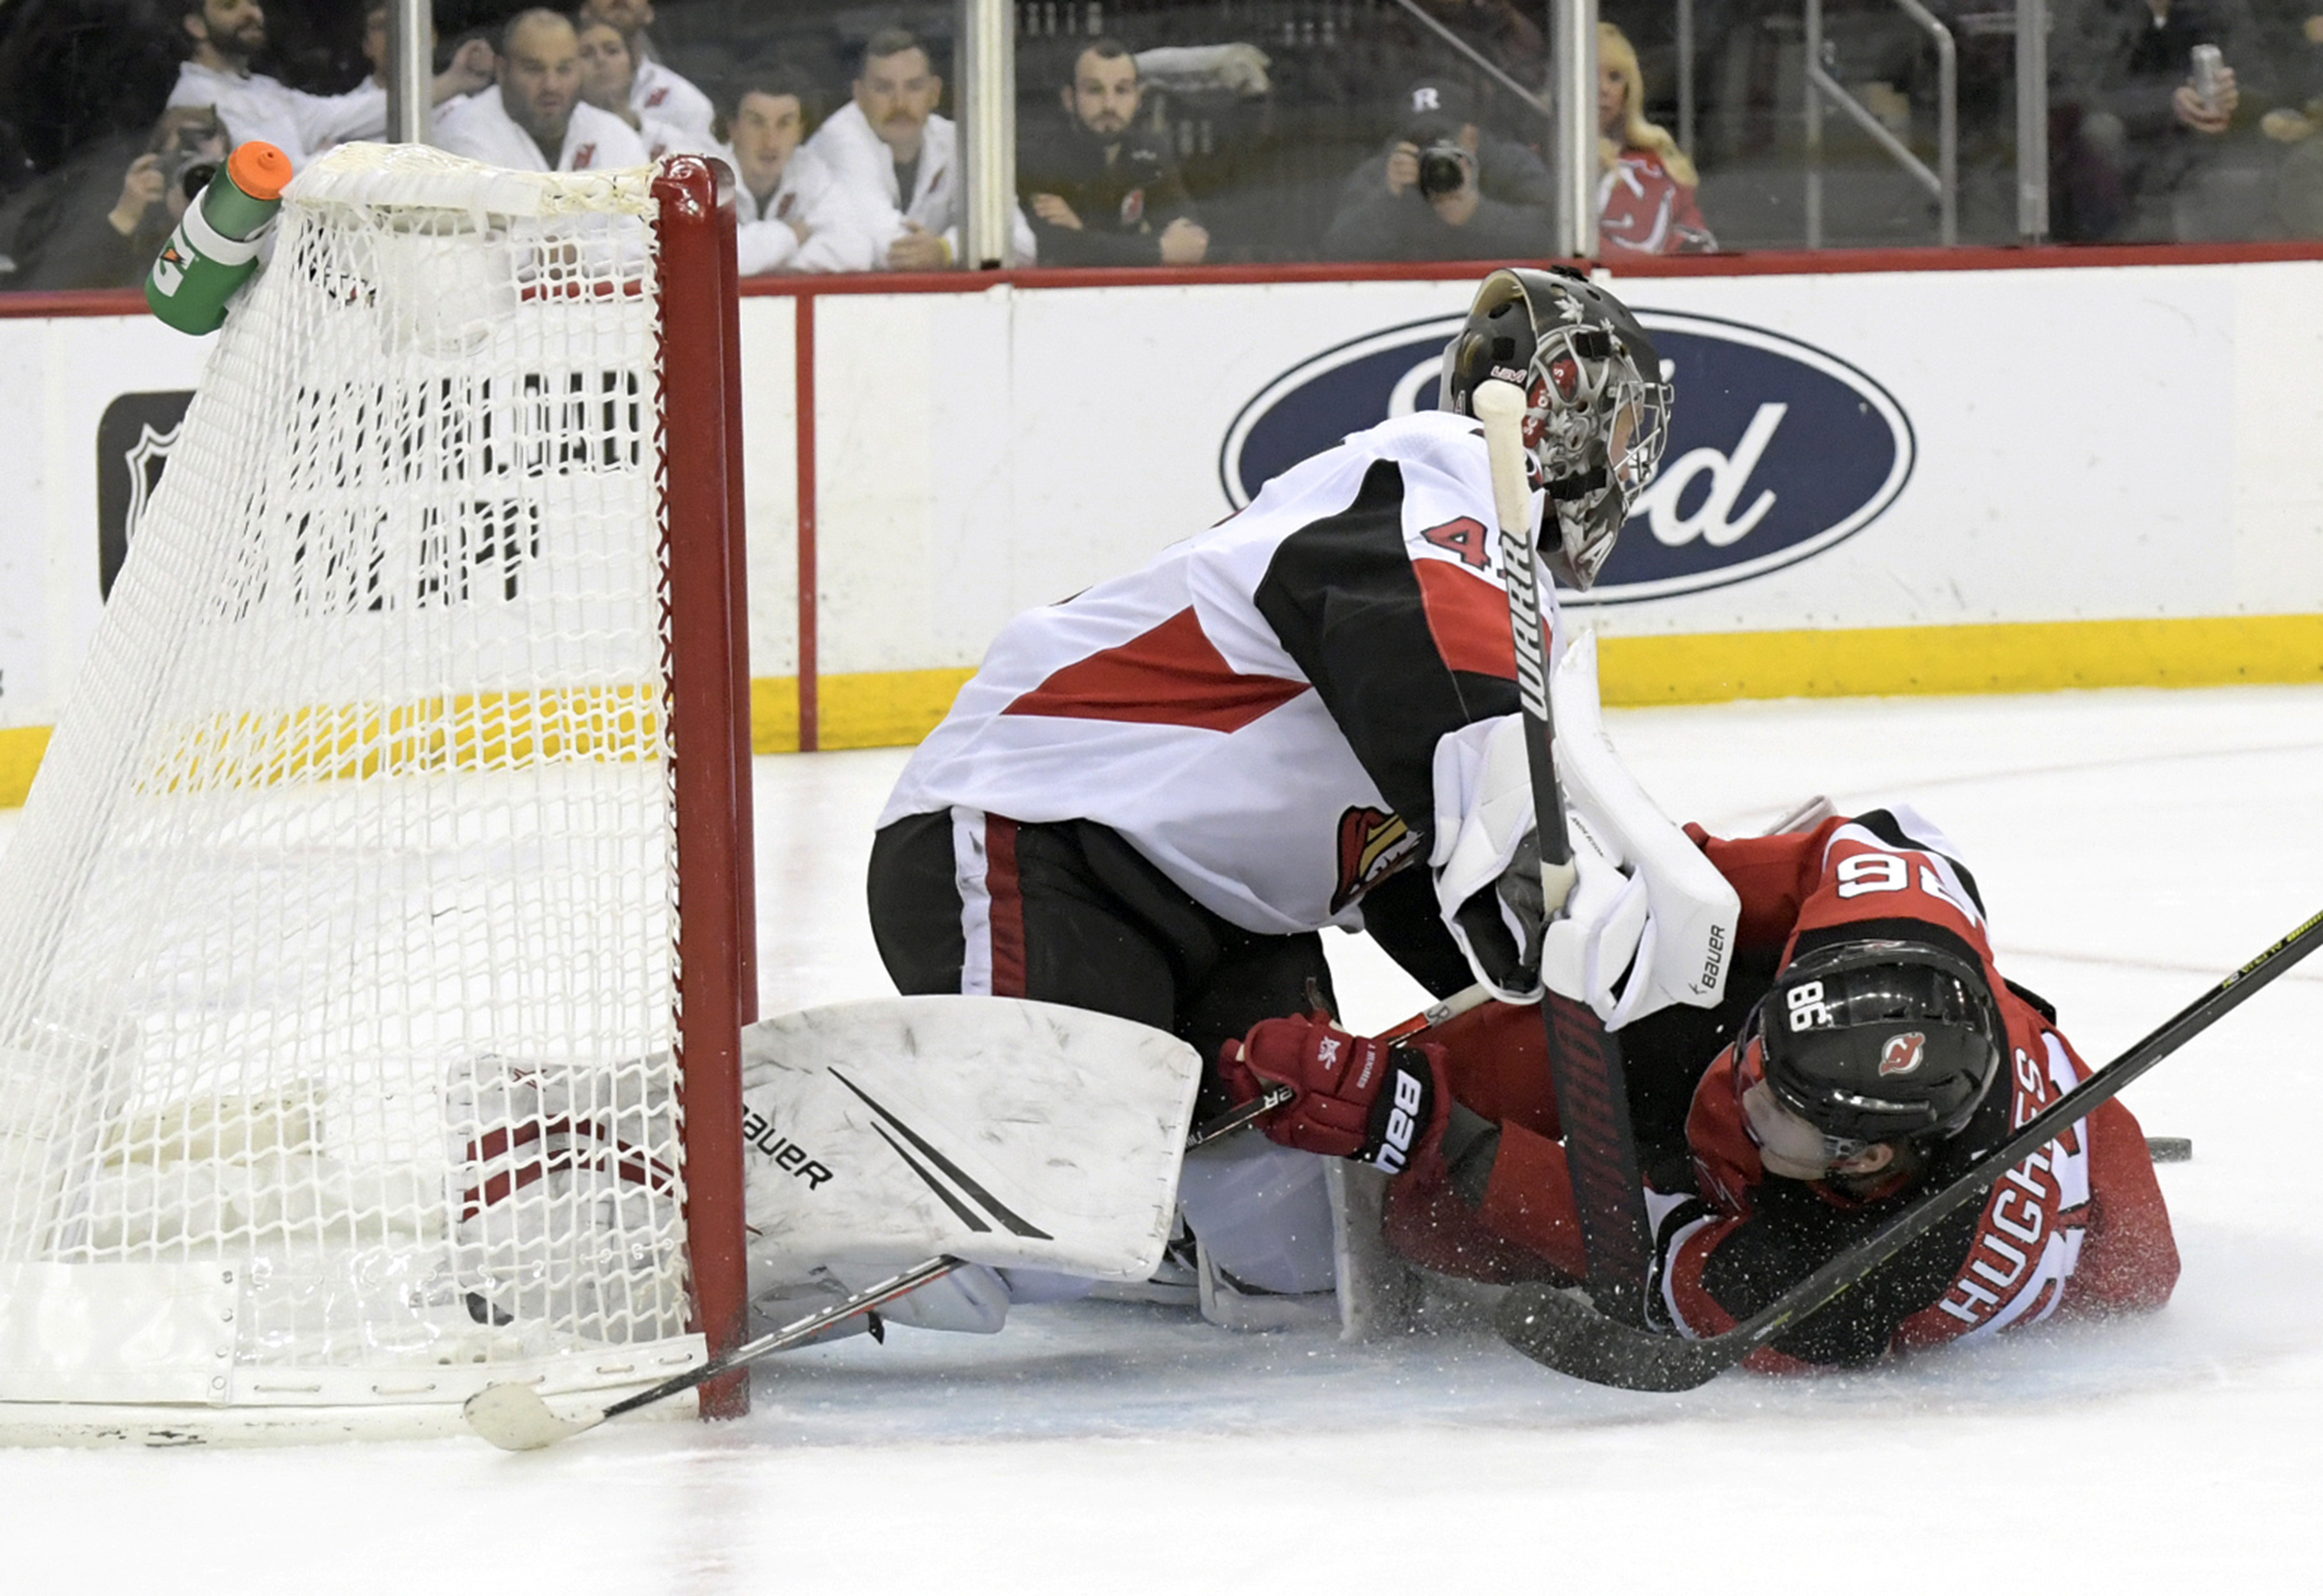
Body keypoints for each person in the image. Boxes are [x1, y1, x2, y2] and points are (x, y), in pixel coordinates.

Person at [864, 268, 1683, 1318]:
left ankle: (1159, 1226)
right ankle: (762, 1190)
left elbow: (1427, 882)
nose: (1627, 467)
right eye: (1619, 433)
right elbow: (1437, 694)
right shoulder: (1427, 482)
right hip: (1034, 839)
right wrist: (1539, 878)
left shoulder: (1501, 590)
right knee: (1037, 1203)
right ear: (1564, 408)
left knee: (1298, 1258)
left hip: (1225, 923)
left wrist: (1599, 1027)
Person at [1225, 794, 2181, 1371]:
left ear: (1868, 1158)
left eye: (1780, 1106)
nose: (1747, 1088)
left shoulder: (1829, 1287)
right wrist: (1654, 897)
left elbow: (1631, 1250)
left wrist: (1427, 1126)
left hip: (1761, 1225)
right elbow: (1867, 846)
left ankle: (1244, 1223)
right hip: (1837, 1147)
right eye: (1767, 1054)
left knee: (1424, 1217)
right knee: (1595, 991)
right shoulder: (1896, 935)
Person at [803, 26, 1035, 270]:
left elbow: (1022, 244)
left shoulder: (957, 142)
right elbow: (891, 248)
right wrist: (961, 246)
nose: (900, 103)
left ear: (935, 93)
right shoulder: (839, 140)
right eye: (884, 88)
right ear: (859, 95)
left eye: (914, 87)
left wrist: (947, 250)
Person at [167, 0, 492, 170]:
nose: (251, 13)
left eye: (252, 2)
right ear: (196, 26)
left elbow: (346, 114)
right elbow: (278, 180)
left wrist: (454, 81)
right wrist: (335, 158)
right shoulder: (194, 102)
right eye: (229, 5)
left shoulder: (263, 90)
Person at [2049, 0, 2273, 242]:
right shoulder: (2096, 10)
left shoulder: (2220, 8)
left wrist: (2232, 99)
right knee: (2099, 132)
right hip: (2124, 162)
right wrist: (2171, 104)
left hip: (2201, 155)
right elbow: (2072, 93)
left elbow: (2264, 85)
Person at [1019, 38, 1209, 267]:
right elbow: (1058, 247)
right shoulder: (1040, 157)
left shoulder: (1150, 152)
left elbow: (1190, 242)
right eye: (1094, 90)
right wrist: (1155, 249)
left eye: (1122, 90)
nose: (1109, 105)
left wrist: (1084, 233)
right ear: (1069, 99)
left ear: (1138, 99)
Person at [1323, 78, 1554, 262]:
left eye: (1442, 138)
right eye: (1419, 139)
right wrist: (1388, 198)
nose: (1431, 149)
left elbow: (1555, 238)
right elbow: (1337, 251)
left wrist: (1477, 214)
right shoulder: (1383, 172)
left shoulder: (1507, 163)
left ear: (1471, 135)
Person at [13, 105, 226, 291]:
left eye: (212, 168)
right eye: (184, 161)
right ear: (155, 166)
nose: (200, 180)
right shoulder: (131, 241)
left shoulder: (244, 242)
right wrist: (125, 216)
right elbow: (58, 297)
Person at [436, 10, 648, 175]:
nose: (551, 86)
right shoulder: (463, 136)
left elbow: (638, 226)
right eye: (534, 69)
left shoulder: (617, 138)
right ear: (502, 70)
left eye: (564, 69)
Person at [723, 67, 877, 275]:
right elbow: (714, 258)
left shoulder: (810, 171)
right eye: (757, 122)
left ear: (800, 130)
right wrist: (791, 236)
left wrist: (770, 263)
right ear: (733, 128)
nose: (771, 141)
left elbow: (856, 250)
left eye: (784, 124)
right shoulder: (704, 176)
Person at [1596, 22, 1716, 258]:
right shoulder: (1543, 158)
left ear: (1630, 89)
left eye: (1615, 77)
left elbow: (1697, 241)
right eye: (1590, 75)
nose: (1604, 89)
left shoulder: (1661, 160)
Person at [576, 0, 717, 146]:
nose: (601, 60)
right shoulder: (561, 96)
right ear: (585, 12)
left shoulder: (684, 100)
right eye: (587, 53)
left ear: (649, 13)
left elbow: (715, 165)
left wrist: (640, 127)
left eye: (612, 51)